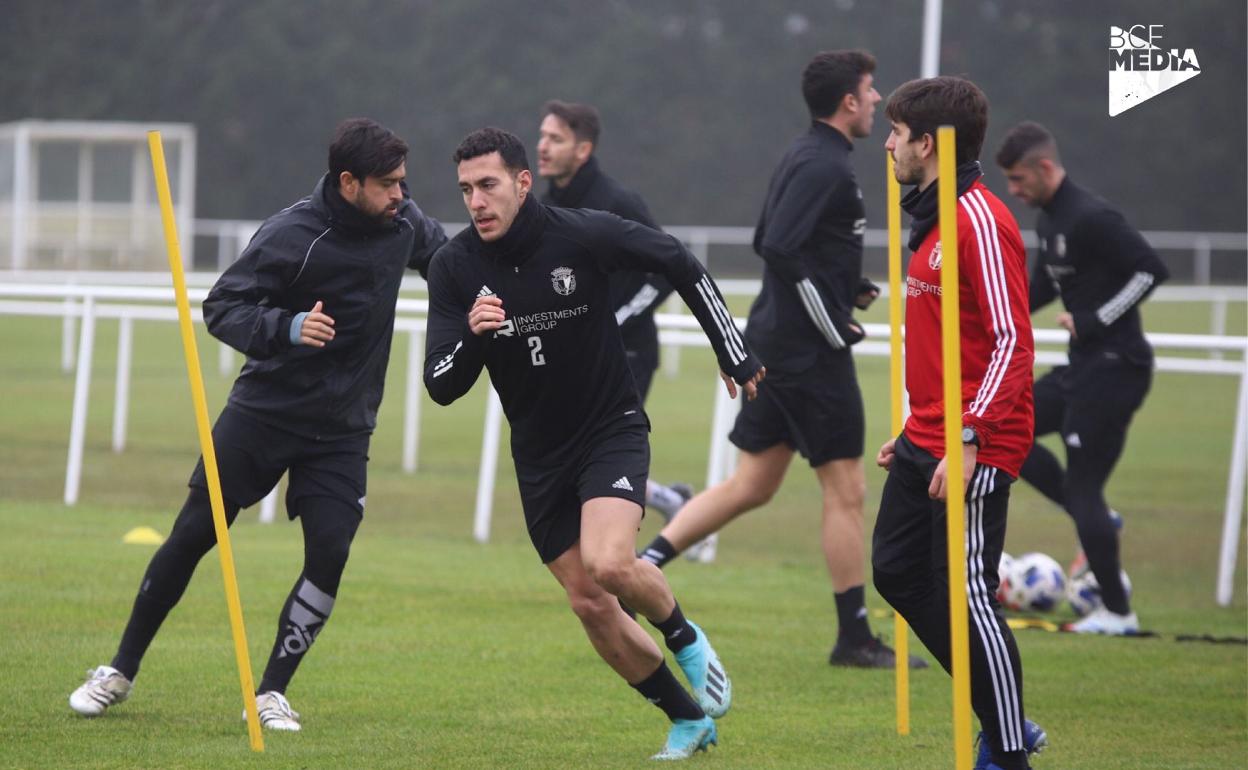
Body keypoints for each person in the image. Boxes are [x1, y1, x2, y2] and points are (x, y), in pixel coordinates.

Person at [68, 118, 447, 731]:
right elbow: (223, 306)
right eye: (387, 184)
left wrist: (493, 293)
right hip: (263, 414)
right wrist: (288, 329)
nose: (400, 195)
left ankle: (270, 693)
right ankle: (118, 670)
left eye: (403, 183)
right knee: (194, 534)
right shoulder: (291, 233)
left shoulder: (402, 223)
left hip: (344, 428)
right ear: (349, 182)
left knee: (331, 550)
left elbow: (447, 264)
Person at [424, 127, 764, 760]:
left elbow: (676, 260)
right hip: (539, 457)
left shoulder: (580, 233)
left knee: (610, 563)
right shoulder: (454, 267)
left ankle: (686, 639)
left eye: (489, 185)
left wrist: (732, 348)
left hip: (610, 428)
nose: (476, 201)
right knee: (591, 603)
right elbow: (440, 385)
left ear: (523, 183)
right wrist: (473, 337)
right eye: (466, 189)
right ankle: (688, 721)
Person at [635, 49, 914, 669]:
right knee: (847, 490)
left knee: (751, 485)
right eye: (870, 92)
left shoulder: (806, 153)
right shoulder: (828, 168)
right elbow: (780, 249)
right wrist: (833, 324)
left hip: (776, 345)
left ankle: (640, 568)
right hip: (809, 356)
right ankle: (855, 638)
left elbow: (780, 240)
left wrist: (850, 288)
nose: (876, 101)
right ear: (848, 100)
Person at [873, 77, 1047, 770]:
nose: (887, 144)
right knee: (894, 572)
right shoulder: (933, 217)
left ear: (928, 144)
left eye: (896, 133)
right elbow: (953, 339)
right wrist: (918, 426)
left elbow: (1012, 342)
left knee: (968, 594)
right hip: (928, 434)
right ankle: (1000, 713)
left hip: (978, 443)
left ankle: (1008, 748)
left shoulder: (979, 219)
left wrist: (969, 436)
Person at [995, 122, 1169, 635]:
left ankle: (1119, 613)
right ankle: (1094, 520)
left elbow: (1150, 270)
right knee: (1008, 428)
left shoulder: (1093, 216)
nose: (1014, 190)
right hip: (1082, 368)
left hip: (1117, 369)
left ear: (1045, 168)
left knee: (1085, 485)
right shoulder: (1050, 222)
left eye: (1019, 179)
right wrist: (994, 317)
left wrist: (1094, 321)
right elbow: (1042, 287)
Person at [536, 99, 692, 522]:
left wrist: (615, 324)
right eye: (542, 137)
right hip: (577, 358)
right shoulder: (547, 203)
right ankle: (667, 503)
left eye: (555, 139)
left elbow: (666, 270)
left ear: (582, 150)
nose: (543, 147)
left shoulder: (617, 201)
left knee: (596, 459)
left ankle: (617, 557)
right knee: (572, 457)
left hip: (629, 355)